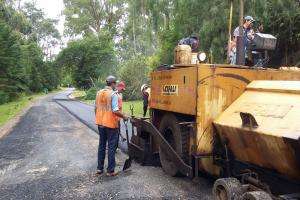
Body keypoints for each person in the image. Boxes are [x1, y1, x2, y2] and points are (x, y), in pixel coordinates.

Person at [95, 75, 128, 176]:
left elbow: (95, 108)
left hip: (100, 123)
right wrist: (124, 116)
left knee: (101, 146)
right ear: (113, 84)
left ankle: (99, 169)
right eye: (115, 83)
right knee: (111, 147)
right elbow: (115, 110)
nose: (115, 85)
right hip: (110, 124)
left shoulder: (98, 93)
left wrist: (98, 118)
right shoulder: (113, 94)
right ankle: (110, 171)